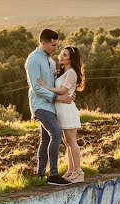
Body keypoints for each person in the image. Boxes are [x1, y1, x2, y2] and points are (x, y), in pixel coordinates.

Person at [25, 29, 74, 186]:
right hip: (40, 105)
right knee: (56, 133)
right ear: (43, 42)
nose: (55, 48)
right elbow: (37, 88)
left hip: (52, 107)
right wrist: (58, 97)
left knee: (45, 139)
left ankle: (40, 175)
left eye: (56, 45)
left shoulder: (51, 61)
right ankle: (53, 175)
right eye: (52, 45)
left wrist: (69, 93)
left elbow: (56, 84)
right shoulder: (33, 60)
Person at [35, 46, 85, 183]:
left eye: (65, 55)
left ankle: (78, 172)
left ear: (71, 58)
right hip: (62, 111)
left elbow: (63, 91)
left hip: (67, 111)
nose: (61, 57)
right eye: (61, 54)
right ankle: (70, 170)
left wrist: (46, 87)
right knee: (67, 143)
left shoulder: (71, 73)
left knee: (72, 142)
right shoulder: (65, 72)